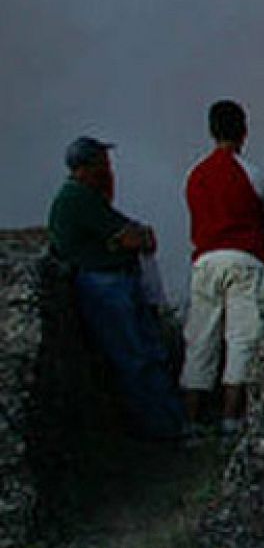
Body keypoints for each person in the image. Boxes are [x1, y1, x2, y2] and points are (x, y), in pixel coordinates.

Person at [47, 136, 186, 441]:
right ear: (86, 167)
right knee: (135, 357)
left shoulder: (85, 198)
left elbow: (131, 233)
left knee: (146, 353)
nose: (109, 169)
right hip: (107, 286)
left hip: (112, 283)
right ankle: (162, 429)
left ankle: (172, 424)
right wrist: (132, 238)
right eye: (102, 163)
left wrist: (131, 237)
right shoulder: (79, 198)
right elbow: (133, 236)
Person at [181, 100, 264, 434]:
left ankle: (191, 421)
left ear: (212, 131)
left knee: (200, 338)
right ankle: (232, 419)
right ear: (244, 132)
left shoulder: (195, 176)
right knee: (244, 338)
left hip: (205, 261)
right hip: (246, 259)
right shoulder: (255, 175)